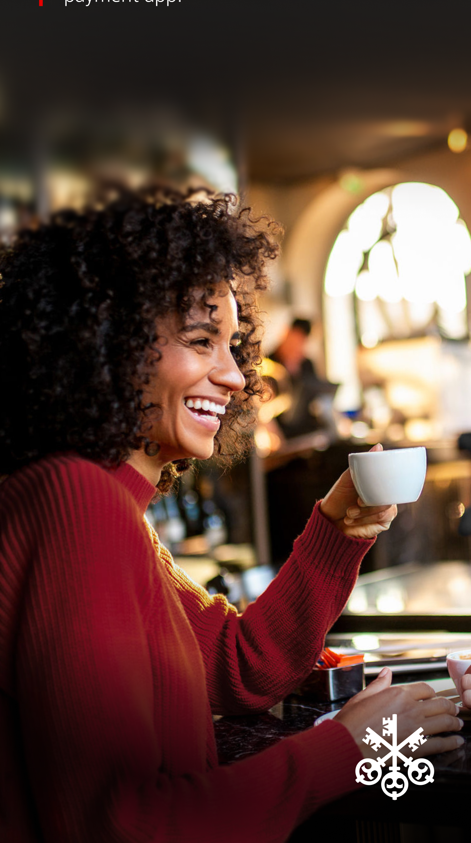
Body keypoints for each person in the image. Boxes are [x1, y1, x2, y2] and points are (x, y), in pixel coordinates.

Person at [0, 186, 463, 843]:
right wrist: (353, 748)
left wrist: (337, 528)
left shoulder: (106, 505)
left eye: (234, 345)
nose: (238, 377)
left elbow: (239, 664)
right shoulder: (79, 501)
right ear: (107, 344)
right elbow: (118, 822)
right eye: (201, 340)